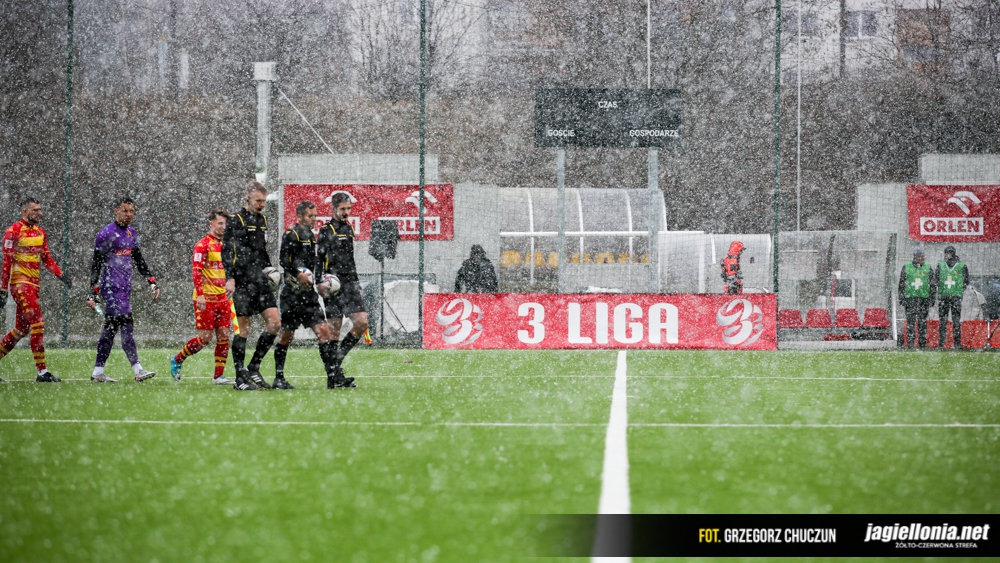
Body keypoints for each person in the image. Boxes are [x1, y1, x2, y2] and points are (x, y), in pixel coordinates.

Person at [86, 196, 160, 382]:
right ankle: (138, 369)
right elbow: (96, 264)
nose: (128, 214)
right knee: (127, 323)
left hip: (125, 288)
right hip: (111, 288)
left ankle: (97, 372)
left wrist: (151, 280)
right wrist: (92, 291)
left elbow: (138, 258)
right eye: (125, 210)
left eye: (131, 211)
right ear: (116, 211)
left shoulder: (131, 233)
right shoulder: (106, 234)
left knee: (110, 329)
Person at [0, 197, 72, 383]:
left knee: (21, 330)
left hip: (33, 286)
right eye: (35, 210)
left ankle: (42, 372)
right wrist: (3, 289)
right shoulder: (13, 231)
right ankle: (42, 372)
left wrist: (61, 274)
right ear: (25, 211)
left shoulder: (40, 232)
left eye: (40, 209)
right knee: (38, 323)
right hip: (21, 285)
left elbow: (46, 258)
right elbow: (7, 262)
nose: (40, 213)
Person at [272, 201, 339, 390]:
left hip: (309, 296)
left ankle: (332, 377)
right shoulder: (291, 234)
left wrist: (318, 282)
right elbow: (283, 260)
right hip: (292, 296)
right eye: (310, 216)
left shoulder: (311, 236)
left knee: (324, 333)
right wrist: (298, 274)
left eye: (315, 215)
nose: (314, 219)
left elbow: (314, 264)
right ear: (300, 216)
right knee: (286, 337)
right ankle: (279, 378)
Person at [222, 181, 280, 391]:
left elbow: (262, 250)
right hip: (242, 281)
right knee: (243, 329)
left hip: (260, 280)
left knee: (275, 323)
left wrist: (270, 272)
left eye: (264, 201)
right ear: (247, 199)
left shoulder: (263, 220)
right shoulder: (235, 220)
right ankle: (239, 378)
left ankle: (253, 367)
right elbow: (227, 251)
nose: (262, 204)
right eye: (258, 201)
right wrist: (230, 278)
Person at [169, 210, 233, 384]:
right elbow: (196, 271)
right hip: (206, 299)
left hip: (223, 299)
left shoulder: (228, 245)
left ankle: (218, 376)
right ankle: (177, 358)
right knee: (205, 339)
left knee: (224, 336)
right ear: (211, 224)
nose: (224, 227)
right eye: (220, 223)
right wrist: (201, 295)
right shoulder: (202, 245)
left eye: (226, 224)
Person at [316, 192, 367, 388]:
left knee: (361, 322)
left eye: (348, 209)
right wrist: (319, 282)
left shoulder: (348, 229)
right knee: (334, 331)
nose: (346, 212)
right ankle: (333, 377)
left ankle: (335, 363)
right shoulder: (326, 230)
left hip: (349, 284)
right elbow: (319, 259)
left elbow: (350, 260)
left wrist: (357, 284)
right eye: (343, 209)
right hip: (333, 286)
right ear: (333, 208)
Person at [898, 246, 936, 349]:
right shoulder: (906, 267)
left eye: (922, 256)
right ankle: (910, 344)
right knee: (910, 322)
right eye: (919, 256)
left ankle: (922, 344)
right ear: (914, 257)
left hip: (924, 299)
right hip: (910, 299)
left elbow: (932, 284)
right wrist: (901, 298)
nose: (921, 258)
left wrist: (932, 298)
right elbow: (901, 284)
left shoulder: (928, 267)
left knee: (922, 322)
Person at [936, 245, 970, 350]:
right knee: (943, 321)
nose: (946, 255)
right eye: (945, 253)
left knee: (955, 321)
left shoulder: (961, 266)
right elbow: (936, 279)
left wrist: (958, 290)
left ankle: (956, 343)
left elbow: (966, 280)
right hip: (944, 297)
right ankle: (942, 343)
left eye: (948, 253)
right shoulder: (941, 265)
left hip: (955, 297)